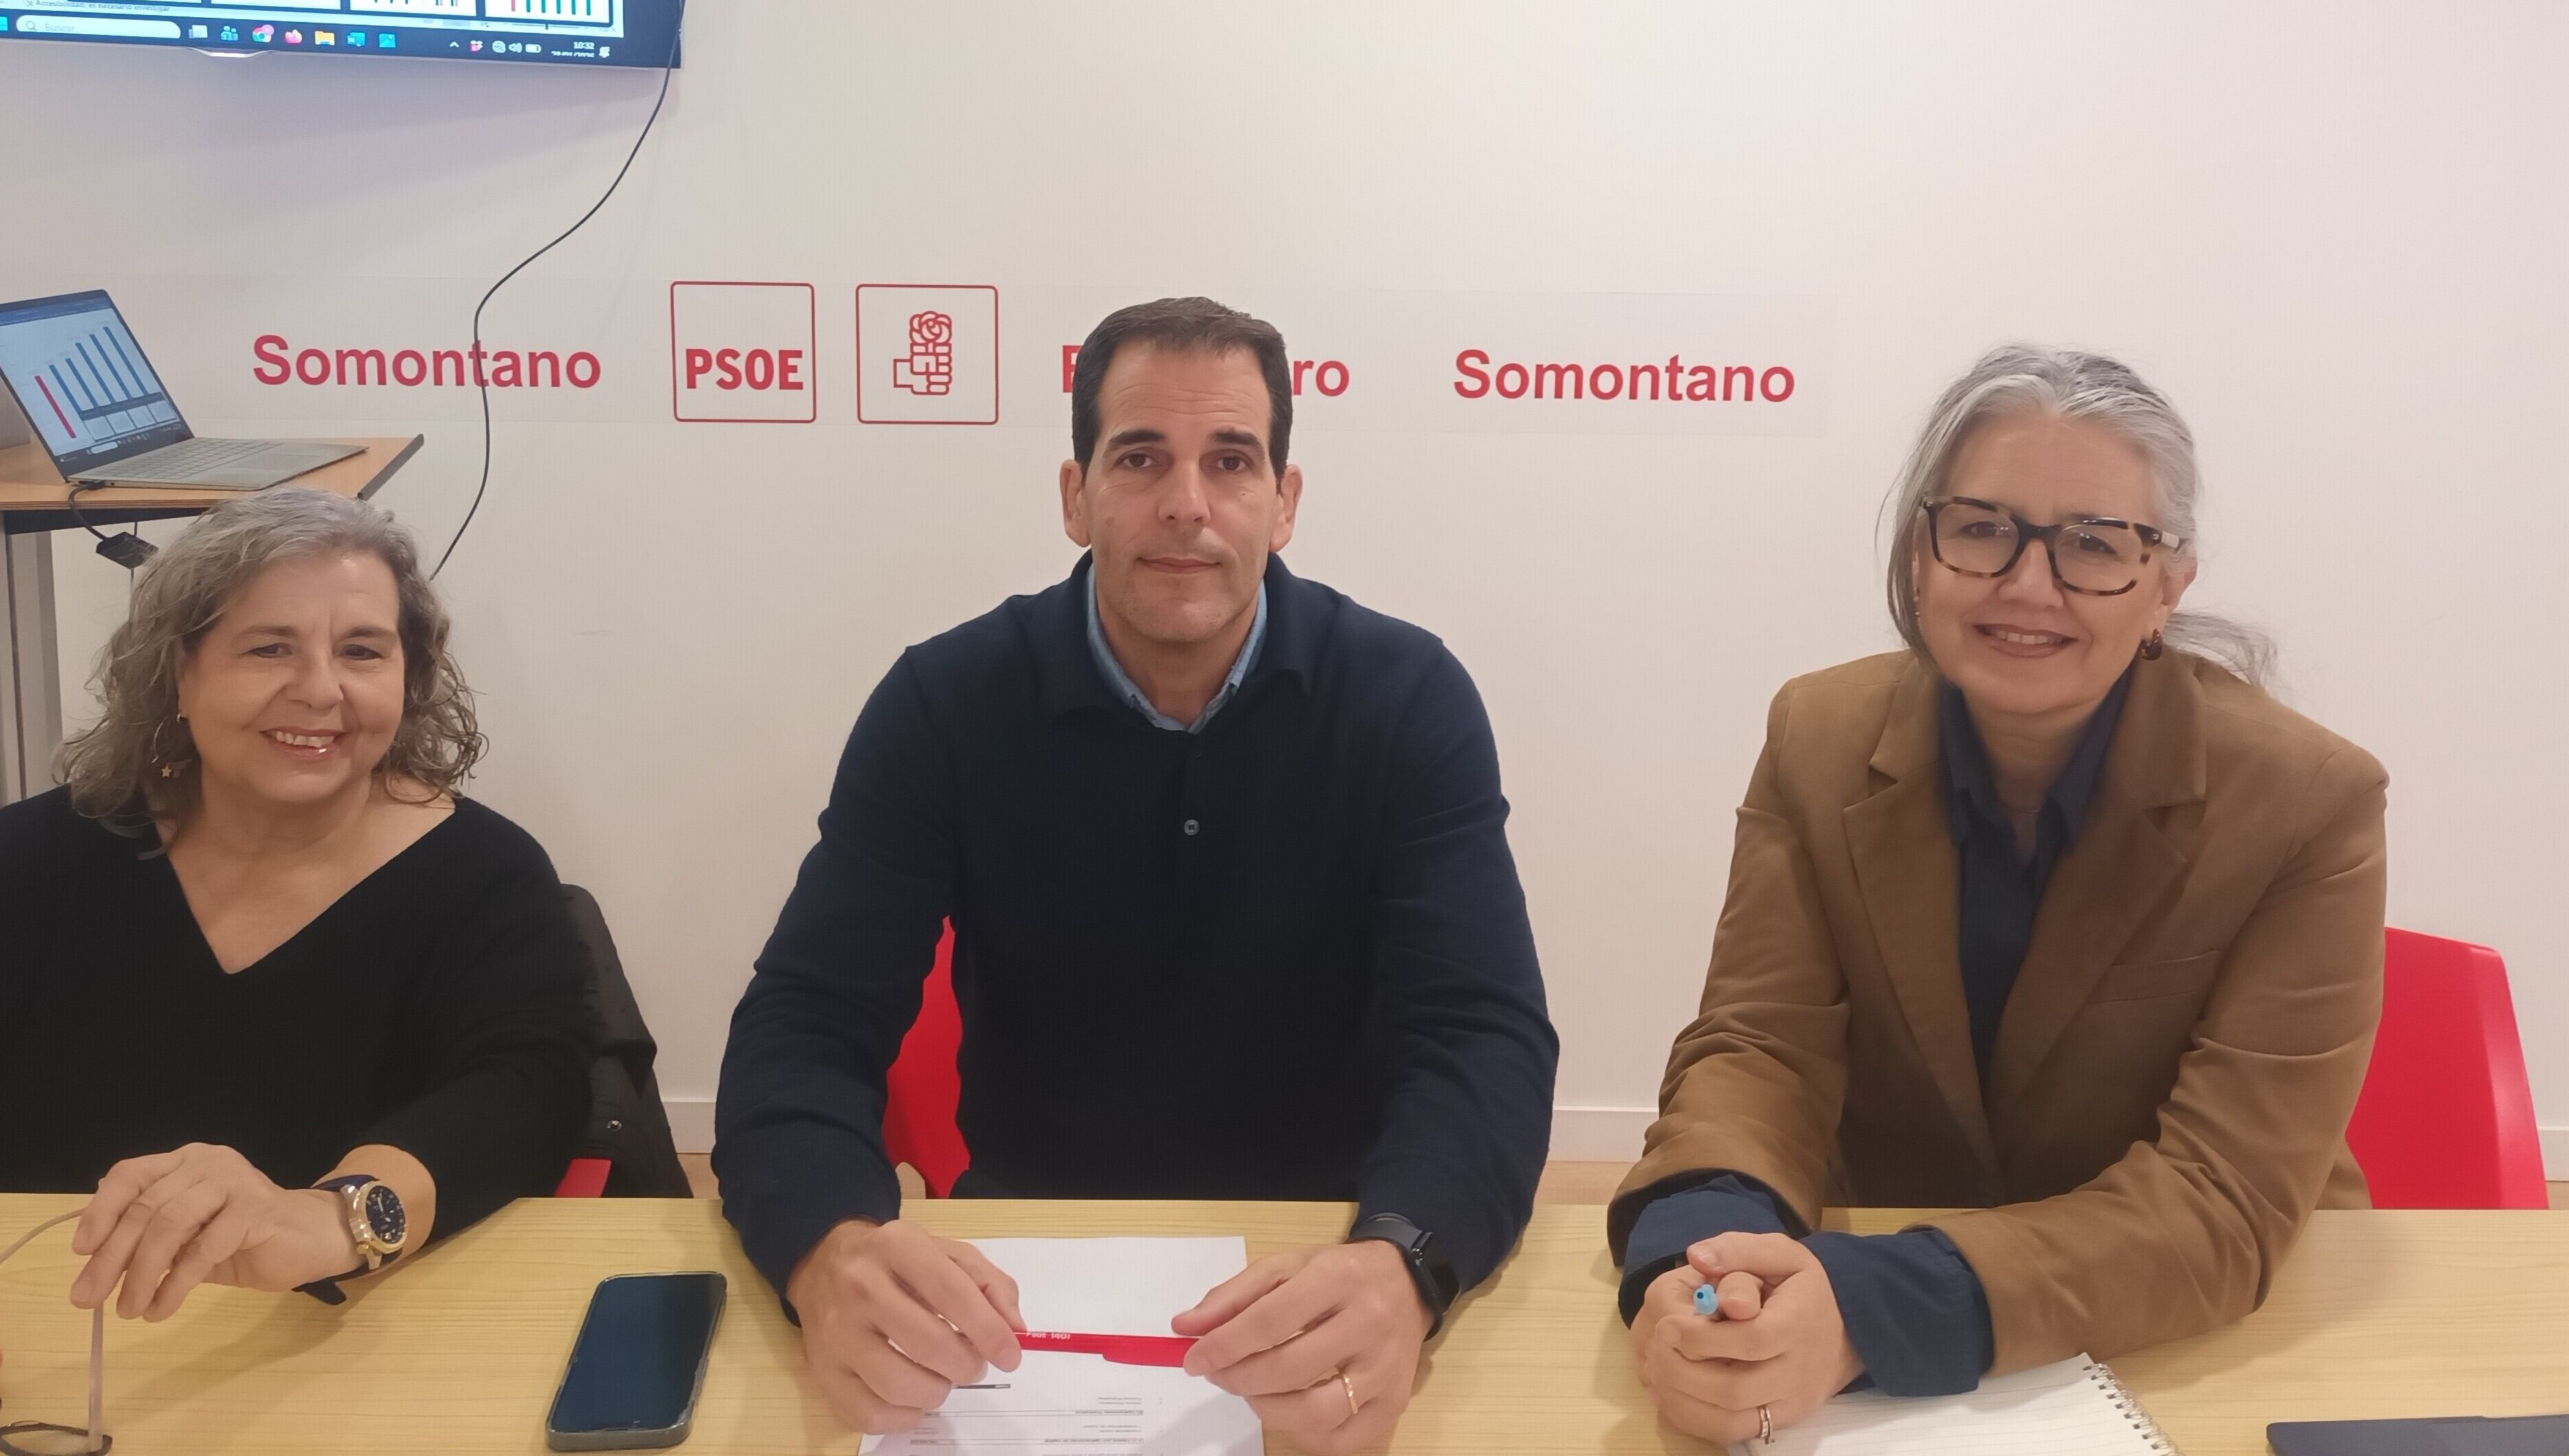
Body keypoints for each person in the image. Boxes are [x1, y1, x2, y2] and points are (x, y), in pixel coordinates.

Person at [717, 296, 1557, 1453]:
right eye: (1141, 458)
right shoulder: (943, 704)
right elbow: (805, 1021)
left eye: (1231, 461)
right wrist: (828, 1246)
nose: (1187, 504)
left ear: (1285, 501)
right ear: (1076, 496)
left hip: (1330, 1259)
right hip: (1027, 1282)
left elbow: (1484, 1034)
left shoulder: (1409, 700)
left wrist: (1406, 1260)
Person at [1612, 344, 2387, 1446]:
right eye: (1983, 529)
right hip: (1870, 1301)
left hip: (2191, 1323)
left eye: (2094, 544)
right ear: (1921, 553)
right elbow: (1761, 1047)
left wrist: (1875, 1307)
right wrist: (1704, 1263)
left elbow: (2221, 1193)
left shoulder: (2310, 800)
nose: (2029, 584)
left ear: (2168, 586)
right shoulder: (1816, 735)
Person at [0, 488, 591, 1416]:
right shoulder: (38, 857)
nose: (321, 690)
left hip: (340, 1363)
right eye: (269, 648)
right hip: (25, 1365)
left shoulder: (485, 874)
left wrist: (333, 1216)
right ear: (179, 675)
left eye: (363, 651)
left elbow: (527, 1092)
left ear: (411, 678)